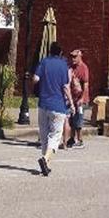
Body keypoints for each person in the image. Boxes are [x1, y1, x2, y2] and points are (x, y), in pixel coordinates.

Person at [31, 42, 73, 176]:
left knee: (44, 135)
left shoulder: (44, 62)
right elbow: (66, 87)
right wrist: (71, 103)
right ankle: (45, 159)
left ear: (49, 51)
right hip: (58, 105)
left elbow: (35, 79)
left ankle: (46, 165)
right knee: (55, 136)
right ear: (61, 53)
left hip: (43, 104)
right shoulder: (63, 66)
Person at [62, 48, 90, 149]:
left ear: (80, 57)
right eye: (71, 56)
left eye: (74, 57)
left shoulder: (84, 68)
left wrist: (82, 98)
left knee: (78, 119)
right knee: (72, 120)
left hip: (80, 99)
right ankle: (72, 139)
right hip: (72, 98)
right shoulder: (71, 68)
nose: (72, 58)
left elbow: (86, 85)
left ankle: (80, 140)